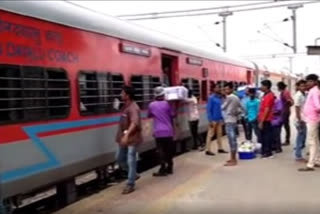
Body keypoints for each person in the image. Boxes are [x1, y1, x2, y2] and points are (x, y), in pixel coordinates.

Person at [115, 86, 142, 194]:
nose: (121, 94)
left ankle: (130, 184)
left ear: (128, 95)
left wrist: (127, 135)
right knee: (119, 158)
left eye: (122, 93)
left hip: (132, 138)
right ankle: (134, 174)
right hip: (123, 138)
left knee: (131, 160)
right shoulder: (125, 106)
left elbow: (134, 122)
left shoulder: (133, 108)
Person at [148, 86, 176, 176]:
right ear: (163, 94)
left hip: (158, 132)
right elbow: (173, 115)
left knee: (160, 151)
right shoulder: (168, 104)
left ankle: (162, 169)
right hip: (168, 131)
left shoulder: (151, 105)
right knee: (169, 151)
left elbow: (149, 115)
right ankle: (170, 168)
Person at [299, 74, 320, 172]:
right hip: (312, 119)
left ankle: (310, 164)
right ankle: (316, 160)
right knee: (315, 141)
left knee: (312, 142)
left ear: (314, 82)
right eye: (307, 81)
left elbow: (317, 106)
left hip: (312, 119)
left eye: (309, 81)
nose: (307, 83)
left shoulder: (314, 91)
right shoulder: (313, 91)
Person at [222, 82, 244, 166]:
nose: (225, 91)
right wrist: (236, 113)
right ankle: (232, 158)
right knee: (232, 140)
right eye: (225, 89)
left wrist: (230, 112)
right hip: (233, 120)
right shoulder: (237, 98)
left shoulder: (230, 97)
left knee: (232, 140)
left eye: (227, 89)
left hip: (229, 121)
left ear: (231, 89)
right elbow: (242, 109)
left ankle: (233, 160)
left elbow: (223, 107)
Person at [206, 83, 226, 156]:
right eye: (217, 88)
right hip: (213, 120)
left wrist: (222, 118)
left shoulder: (219, 98)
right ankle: (208, 149)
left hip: (219, 119)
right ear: (214, 89)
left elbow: (221, 109)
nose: (219, 89)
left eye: (219, 87)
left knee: (219, 134)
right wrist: (210, 120)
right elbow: (208, 109)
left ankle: (220, 148)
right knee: (210, 134)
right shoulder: (211, 98)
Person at [258, 80, 276, 158]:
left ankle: (267, 152)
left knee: (266, 136)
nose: (260, 87)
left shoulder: (269, 96)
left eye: (262, 86)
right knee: (264, 136)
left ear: (266, 86)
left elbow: (267, 109)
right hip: (263, 118)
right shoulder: (265, 95)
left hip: (266, 119)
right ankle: (264, 151)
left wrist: (262, 121)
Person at [294, 80, 307, 162]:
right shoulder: (298, 95)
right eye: (301, 86)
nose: (303, 87)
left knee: (302, 136)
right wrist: (299, 120)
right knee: (300, 137)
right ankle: (298, 155)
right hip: (300, 119)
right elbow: (297, 108)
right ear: (298, 86)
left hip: (303, 118)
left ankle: (298, 152)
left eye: (304, 86)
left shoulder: (304, 94)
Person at [277, 82, 293, 146]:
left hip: (285, 111)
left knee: (284, 126)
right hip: (284, 110)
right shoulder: (284, 92)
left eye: (278, 86)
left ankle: (287, 140)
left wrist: (286, 104)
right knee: (286, 126)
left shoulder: (285, 92)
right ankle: (286, 140)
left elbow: (290, 101)